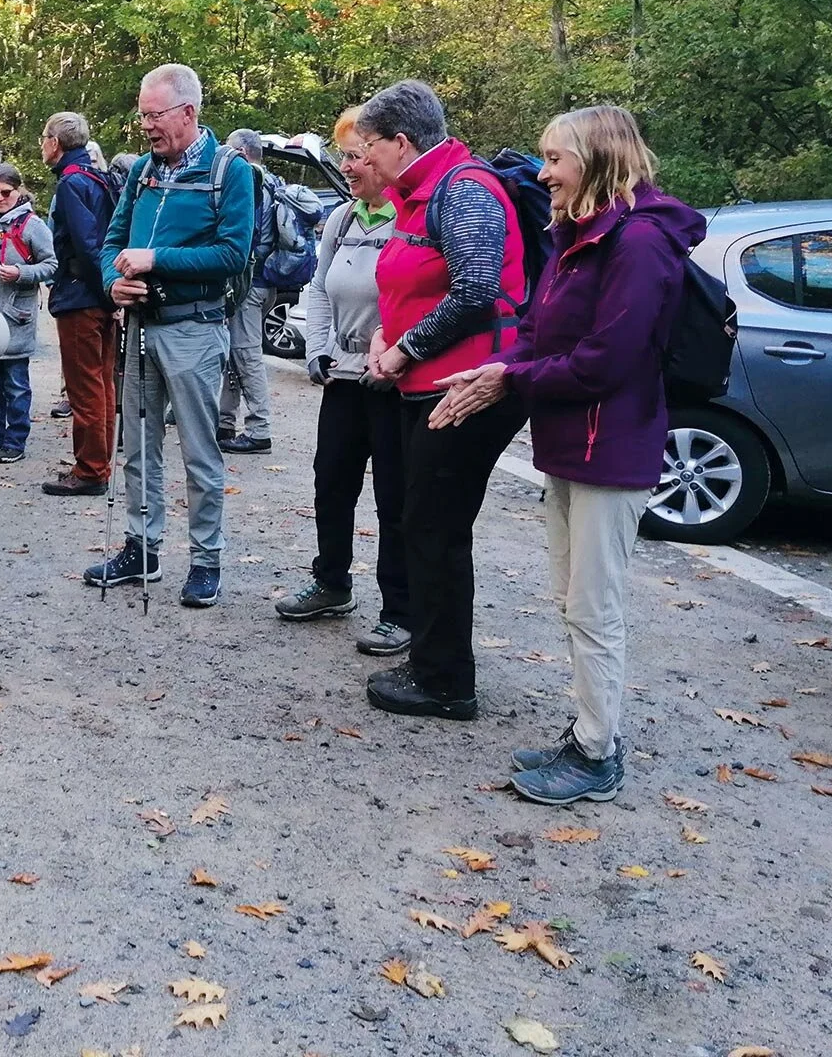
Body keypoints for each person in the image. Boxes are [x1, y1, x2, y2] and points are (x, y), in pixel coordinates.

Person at [430, 106, 704, 804]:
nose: (543, 172)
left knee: (594, 604)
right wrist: (498, 369)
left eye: (555, 159)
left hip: (613, 450)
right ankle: (587, 731)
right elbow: (538, 331)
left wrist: (506, 379)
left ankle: (596, 753)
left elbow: (605, 361)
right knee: (572, 599)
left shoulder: (638, 245)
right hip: (568, 445)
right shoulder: (577, 235)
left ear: (599, 159)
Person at [358, 79, 529, 722]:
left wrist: (406, 350)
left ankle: (447, 681)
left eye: (370, 145)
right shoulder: (421, 194)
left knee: (436, 528)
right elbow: (412, 282)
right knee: (418, 521)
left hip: (462, 390)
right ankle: (431, 657)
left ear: (402, 142)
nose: (364, 158)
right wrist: (386, 332)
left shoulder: (465, 189)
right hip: (426, 383)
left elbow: (477, 290)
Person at [82, 64, 253, 609]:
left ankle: (206, 561)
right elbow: (112, 240)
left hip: (194, 329)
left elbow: (233, 254)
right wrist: (114, 283)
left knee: (199, 452)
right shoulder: (142, 171)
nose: (147, 127)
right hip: (139, 329)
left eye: (154, 115)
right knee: (137, 445)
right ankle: (142, 547)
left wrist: (156, 260)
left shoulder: (230, 171)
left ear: (187, 112)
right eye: (143, 116)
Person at [276, 107, 409, 655]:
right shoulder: (342, 219)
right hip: (344, 377)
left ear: (384, 158)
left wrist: (392, 355)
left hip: (394, 381)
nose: (348, 167)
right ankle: (332, 583)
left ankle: (400, 610)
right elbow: (319, 290)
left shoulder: (410, 218)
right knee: (331, 483)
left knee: (394, 498)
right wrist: (319, 351)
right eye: (345, 156)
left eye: (356, 156)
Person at [40, 111, 119, 495]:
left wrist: (103, 289)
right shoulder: (99, 177)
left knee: (85, 387)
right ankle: (97, 465)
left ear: (55, 143)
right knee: (102, 384)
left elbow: (88, 245)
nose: (43, 145)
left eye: (44, 138)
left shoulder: (72, 184)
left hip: (81, 296)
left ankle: (90, 470)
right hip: (99, 296)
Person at [0, 164, 56, 464]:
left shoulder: (32, 226)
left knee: (17, 386)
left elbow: (51, 265)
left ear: (18, 191)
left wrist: (22, 272)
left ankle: (15, 440)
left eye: (6, 192)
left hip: (16, 318)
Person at [217, 128, 278, 453]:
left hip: (249, 282)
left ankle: (259, 429)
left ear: (240, 152)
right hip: (265, 281)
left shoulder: (250, 180)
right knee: (234, 351)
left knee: (245, 352)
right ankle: (225, 422)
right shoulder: (272, 182)